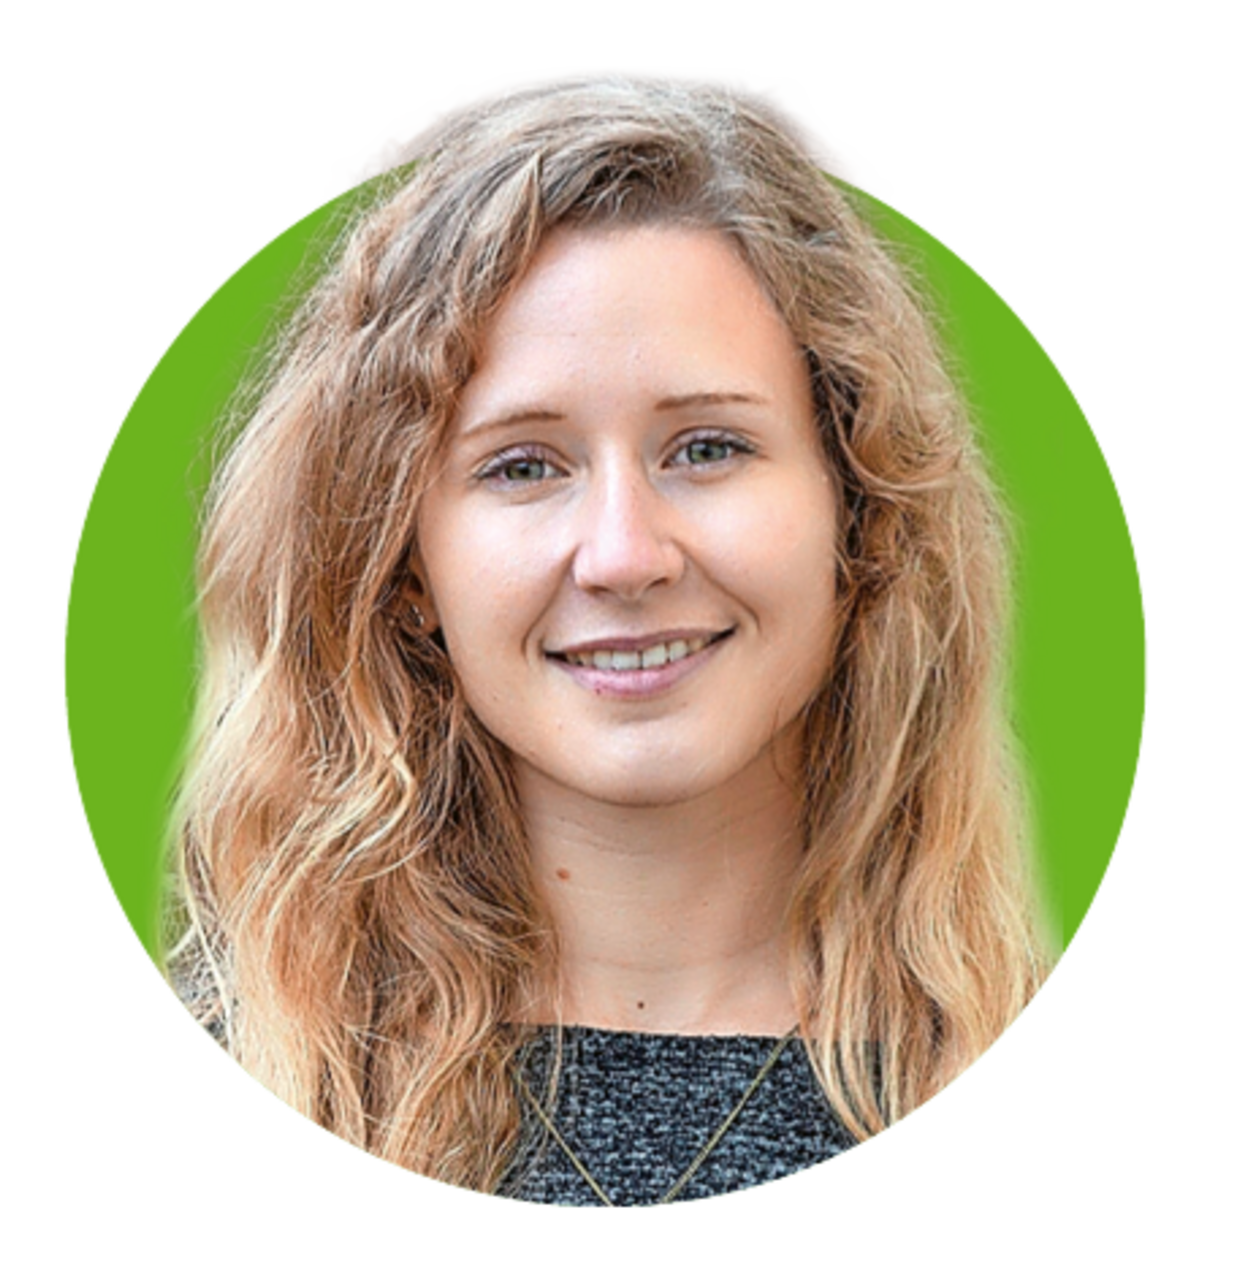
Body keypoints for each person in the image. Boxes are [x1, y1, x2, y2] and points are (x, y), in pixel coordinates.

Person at [168, 77, 1047, 1206]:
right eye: (523, 466)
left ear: (858, 509)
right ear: (406, 567)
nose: (624, 556)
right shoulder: (244, 1056)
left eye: (708, 447)